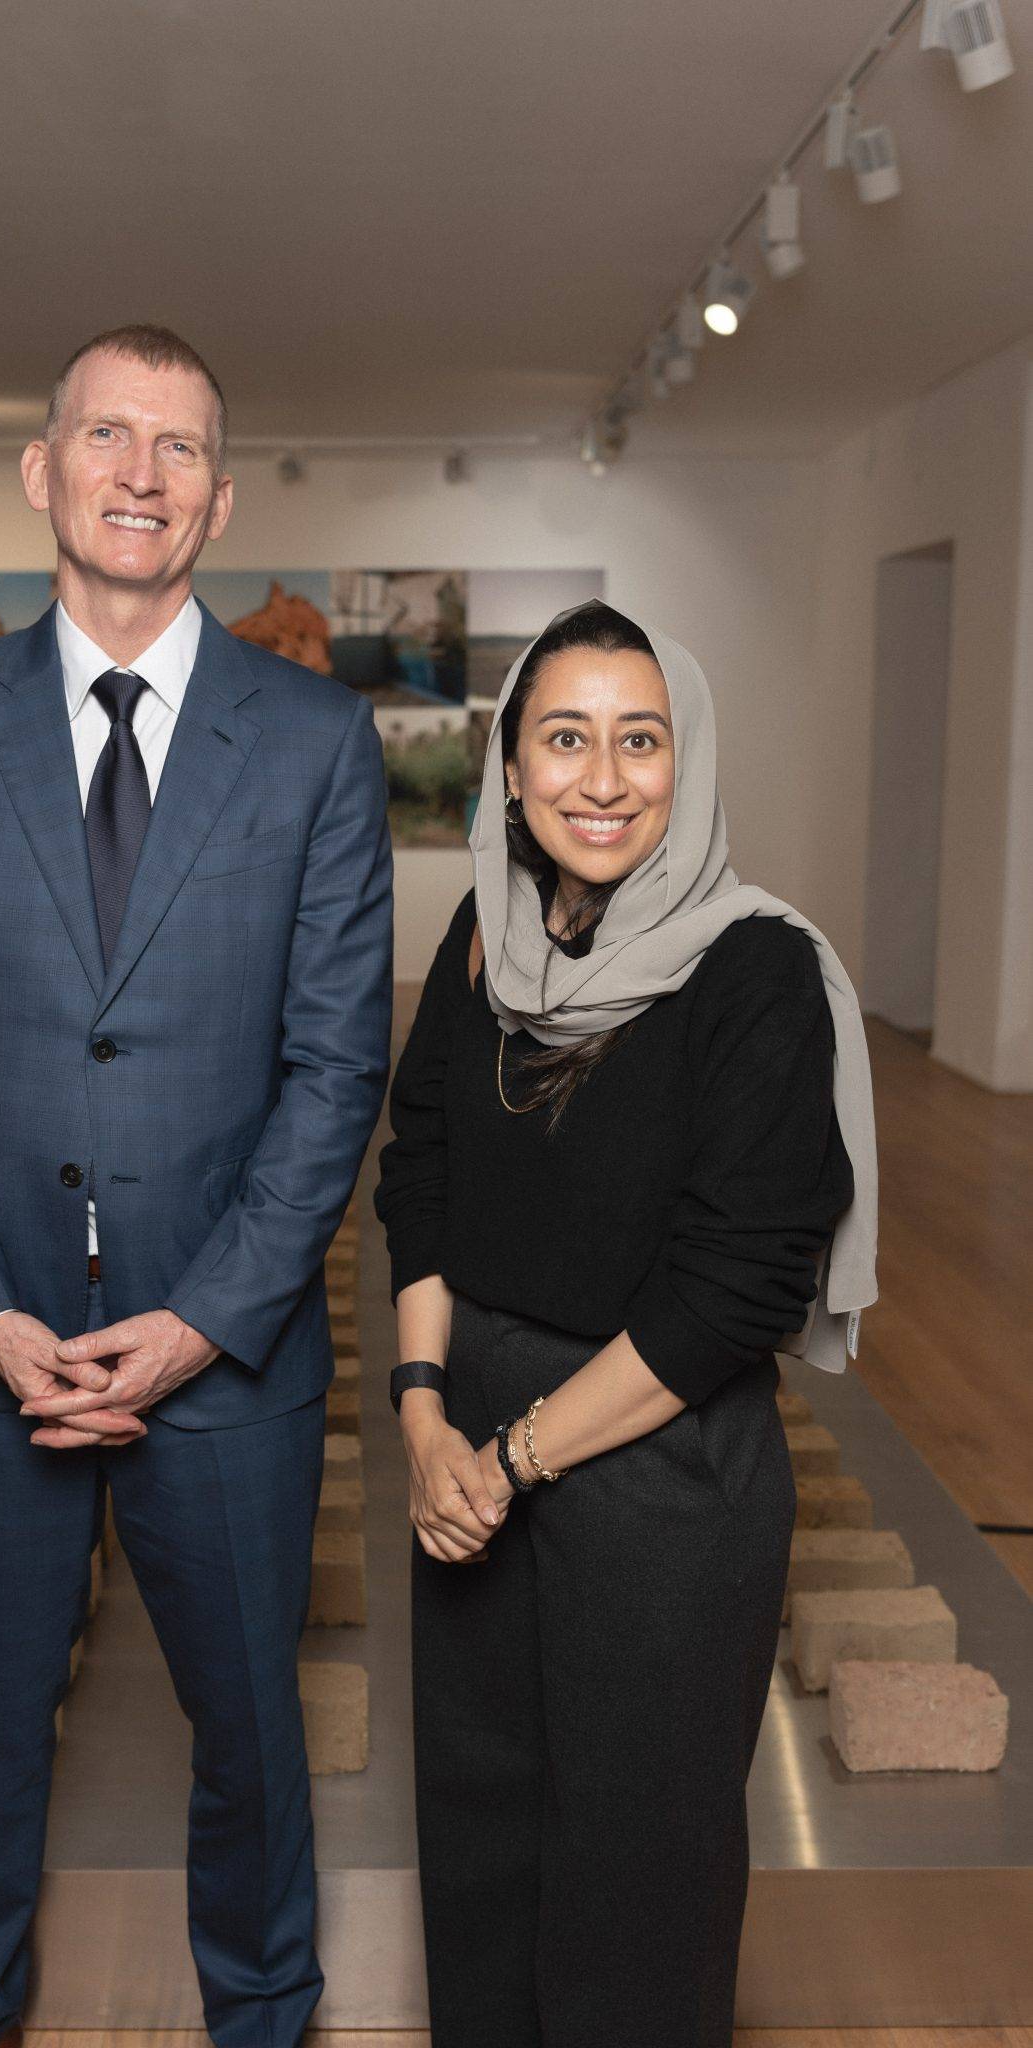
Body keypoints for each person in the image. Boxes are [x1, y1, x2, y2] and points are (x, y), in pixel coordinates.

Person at [0, 323, 393, 2048]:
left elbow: (333, 1070)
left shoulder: (312, 740)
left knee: (249, 1735)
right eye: (108, 436)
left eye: (178, 448)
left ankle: (263, 2016)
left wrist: (204, 1321)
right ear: (42, 470)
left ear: (219, 500)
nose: (139, 472)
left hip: (225, 1359)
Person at [374, 599, 877, 2048]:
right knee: (478, 1839)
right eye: (566, 737)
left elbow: (736, 1287)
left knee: (636, 1873)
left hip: (657, 1462)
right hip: (467, 1444)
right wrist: (421, 1417)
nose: (602, 778)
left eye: (639, 739)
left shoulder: (758, 972)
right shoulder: (485, 930)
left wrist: (513, 1457)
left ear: (689, 758)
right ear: (511, 771)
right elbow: (423, 1167)